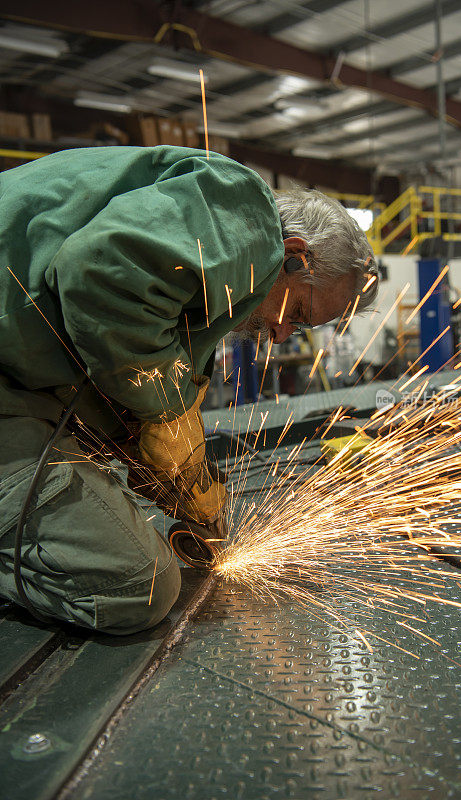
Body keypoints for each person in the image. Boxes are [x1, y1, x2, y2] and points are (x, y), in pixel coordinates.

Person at [0, 145, 377, 634]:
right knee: (140, 584)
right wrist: (167, 415)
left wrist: (173, 469)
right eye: (299, 314)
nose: (282, 336)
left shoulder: (205, 277)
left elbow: (104, 346)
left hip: (15, 387)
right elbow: (96, 275)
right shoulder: (242, 212)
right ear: (293, 255)